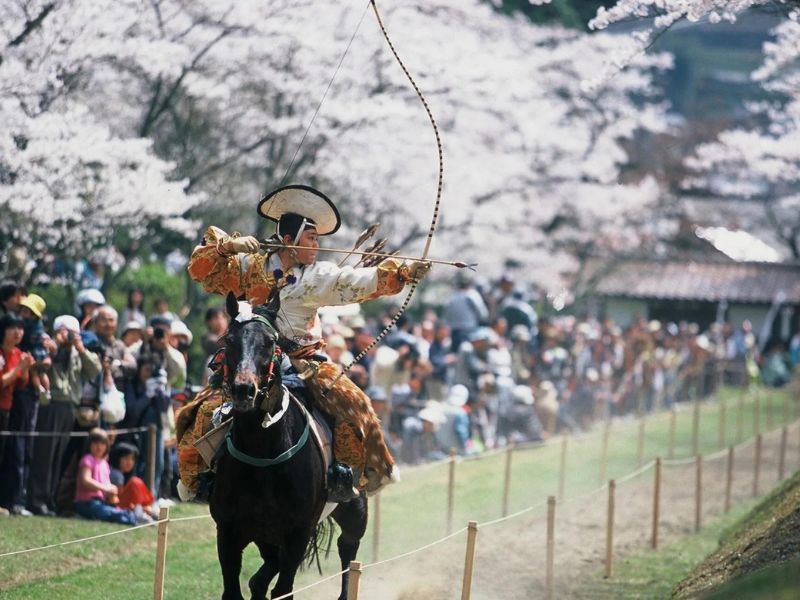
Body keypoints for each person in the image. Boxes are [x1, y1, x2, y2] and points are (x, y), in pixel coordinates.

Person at [179, 185, 431, 501]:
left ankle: (344, 478)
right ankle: (200, 480)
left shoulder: (318, 275)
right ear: (288, 241)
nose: (317, 245)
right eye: (311, 239)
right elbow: (201, 271)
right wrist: (228, 247)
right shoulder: (249, 267)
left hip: (302, 360)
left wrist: (405, 272)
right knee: (204, 410)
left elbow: (357, 283)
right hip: (253, 357)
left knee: (353, 405)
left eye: (317, 239)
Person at [27, 315, 102, 517]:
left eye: (73, 333)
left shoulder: (78, 353)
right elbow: (40, 364)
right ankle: (36, 500)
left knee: (58, 456)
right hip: (52, 405)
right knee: (45, 454)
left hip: (70, 408)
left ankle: (49, 499)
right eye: (66, 331)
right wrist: (56, 345)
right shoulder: (49, 347)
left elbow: (95, 370)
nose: (69, 336)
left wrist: (80, 347)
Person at [0, 313, 34, 509]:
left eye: (20, 328)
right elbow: (2, 382)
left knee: (6, 456)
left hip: (8, 410)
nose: (17, 332)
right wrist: (19, 367)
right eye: (12, 328)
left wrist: (26, 368)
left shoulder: (16, 353)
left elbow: (21, 384)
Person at [73, 428, 138, 525]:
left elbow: (107, 484)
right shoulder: (88, 459)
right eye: (95, 443)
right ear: (89, 445)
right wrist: (105, 488)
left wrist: (112, 491)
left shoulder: (105, 464)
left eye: (102, 444)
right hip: (86, 502)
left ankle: (128, 516)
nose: (99, 447)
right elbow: (85, 480)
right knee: (111, 513)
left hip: (101, 502)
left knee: (114, 511)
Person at [108, 442, 157, 521]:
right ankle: (142, 511)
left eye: (132, 459)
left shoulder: (121, 473)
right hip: (116, 505)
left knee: (135, 481)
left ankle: (145, 508)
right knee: (135, 482)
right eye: (126, 458)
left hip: (122, 504)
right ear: (117, 458)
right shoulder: (116, 474)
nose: (129, 462)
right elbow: (117, 498)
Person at [18, 294, 51, 403]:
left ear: (33, 315)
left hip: (34, 353)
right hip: (42, 353)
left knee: (34, 372)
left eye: (25, 311)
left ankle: (40, 389)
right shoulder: (39, 325)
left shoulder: (28, 326)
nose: (22, 313)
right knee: (42, 373)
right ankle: (47, 390)